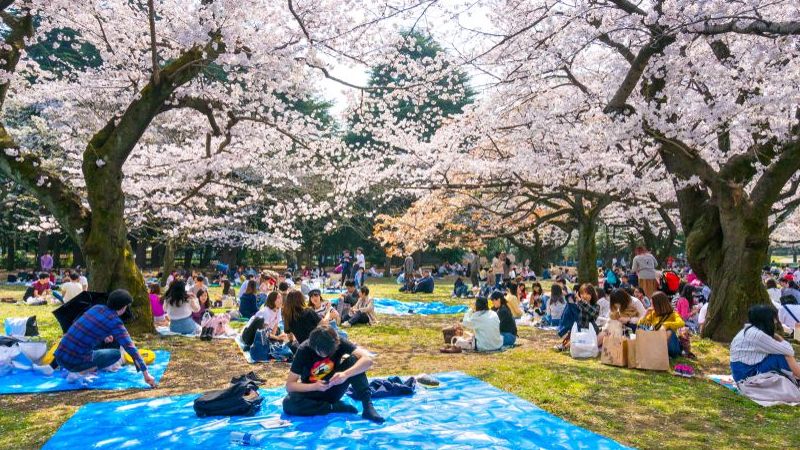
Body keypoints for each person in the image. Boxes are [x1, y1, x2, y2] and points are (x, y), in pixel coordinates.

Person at [282, 325, 385, 423]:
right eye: (323, 353)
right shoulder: (303, 350)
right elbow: (290, 385)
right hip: (313, 393)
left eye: (330, 352)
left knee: (354, 361)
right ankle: (333, 407)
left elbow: (368, 360)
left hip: (335, 385)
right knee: (288, 403)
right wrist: (314, 386)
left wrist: (345, 374)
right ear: (314, 347)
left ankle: (368, 406)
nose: (326, 355)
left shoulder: (338, 341)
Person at [54, 289, 156, 387]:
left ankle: (74, 371)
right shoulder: (115, 322)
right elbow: (131, 348)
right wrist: (146, 374)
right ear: (123, 307)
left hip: (59, 356)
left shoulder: (96, 308)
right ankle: (78, 373)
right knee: (115, 354)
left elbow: (85, 329)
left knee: (90, 348)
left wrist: (105, 336)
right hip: (74, 362)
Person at [730, 305, 800, 383]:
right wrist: (779, 337)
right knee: (785, 357)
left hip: (741, 372)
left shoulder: (749, 329)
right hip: (746, 375)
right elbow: (789, 351)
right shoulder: (758, 335)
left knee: (781, 356)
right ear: (767, 319)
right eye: (774, 319)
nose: (776, 322)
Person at [638, 291, 685, 357]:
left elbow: (681, 323)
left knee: (668, 331)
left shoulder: (673, 314)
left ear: (659, 305)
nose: (651, 306)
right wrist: (646, 314)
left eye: (652, 304)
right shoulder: (653, 313)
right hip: (656, 343)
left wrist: (666, 325)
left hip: (671, 346)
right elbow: (640, 325)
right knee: (643, 328)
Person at [555, 283, 600, 351]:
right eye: (582, 293)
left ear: (592, 295)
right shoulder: (578, 304)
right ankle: (566, 342)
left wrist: (580, 302)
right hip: (578, 329)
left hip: (589, 331)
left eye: (587, 294)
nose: (585, 296)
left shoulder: (596, 306)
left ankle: (566, 345)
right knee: (569, 308)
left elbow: (592, 312)